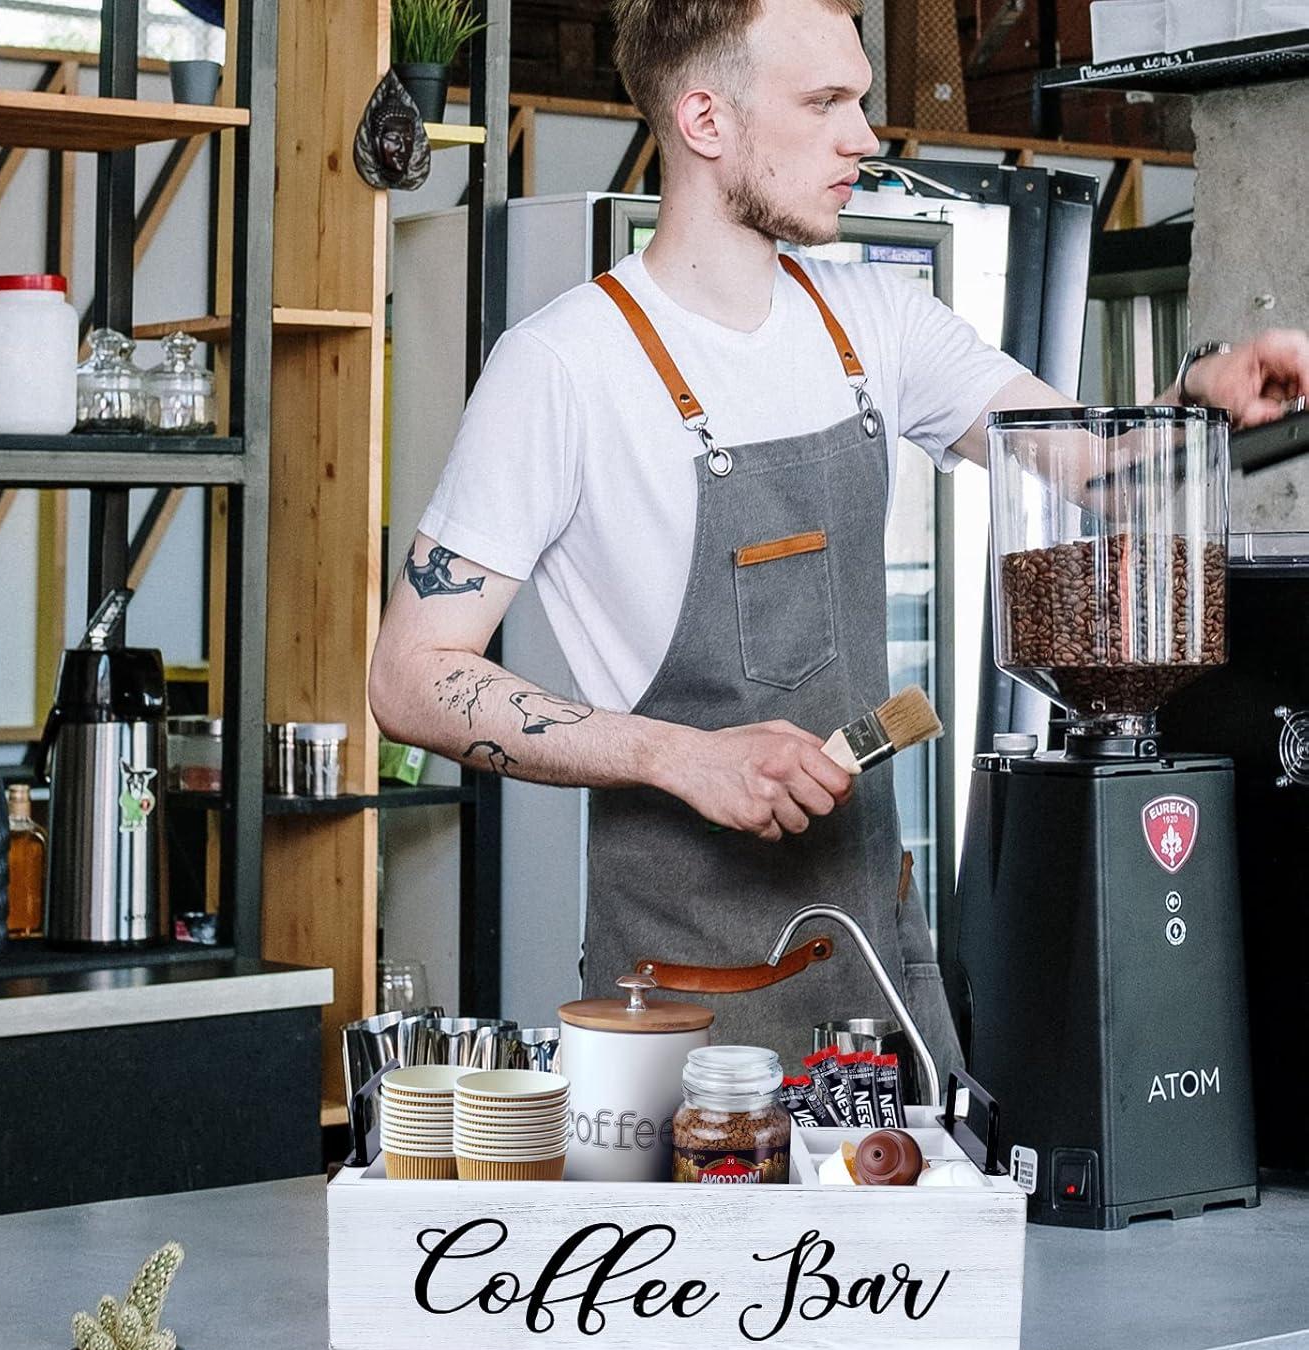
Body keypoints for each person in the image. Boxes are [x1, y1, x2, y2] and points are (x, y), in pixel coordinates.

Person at [370, 0, 1309, 1083]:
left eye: (860, 101)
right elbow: (410, 677)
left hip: (882, 987)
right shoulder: (564, 368)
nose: (865, 136)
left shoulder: (877, 322)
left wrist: (1202, 399)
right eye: (825, 103)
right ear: (706, 118)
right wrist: (679, 755)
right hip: (684, 1016)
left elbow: (1098, 475)